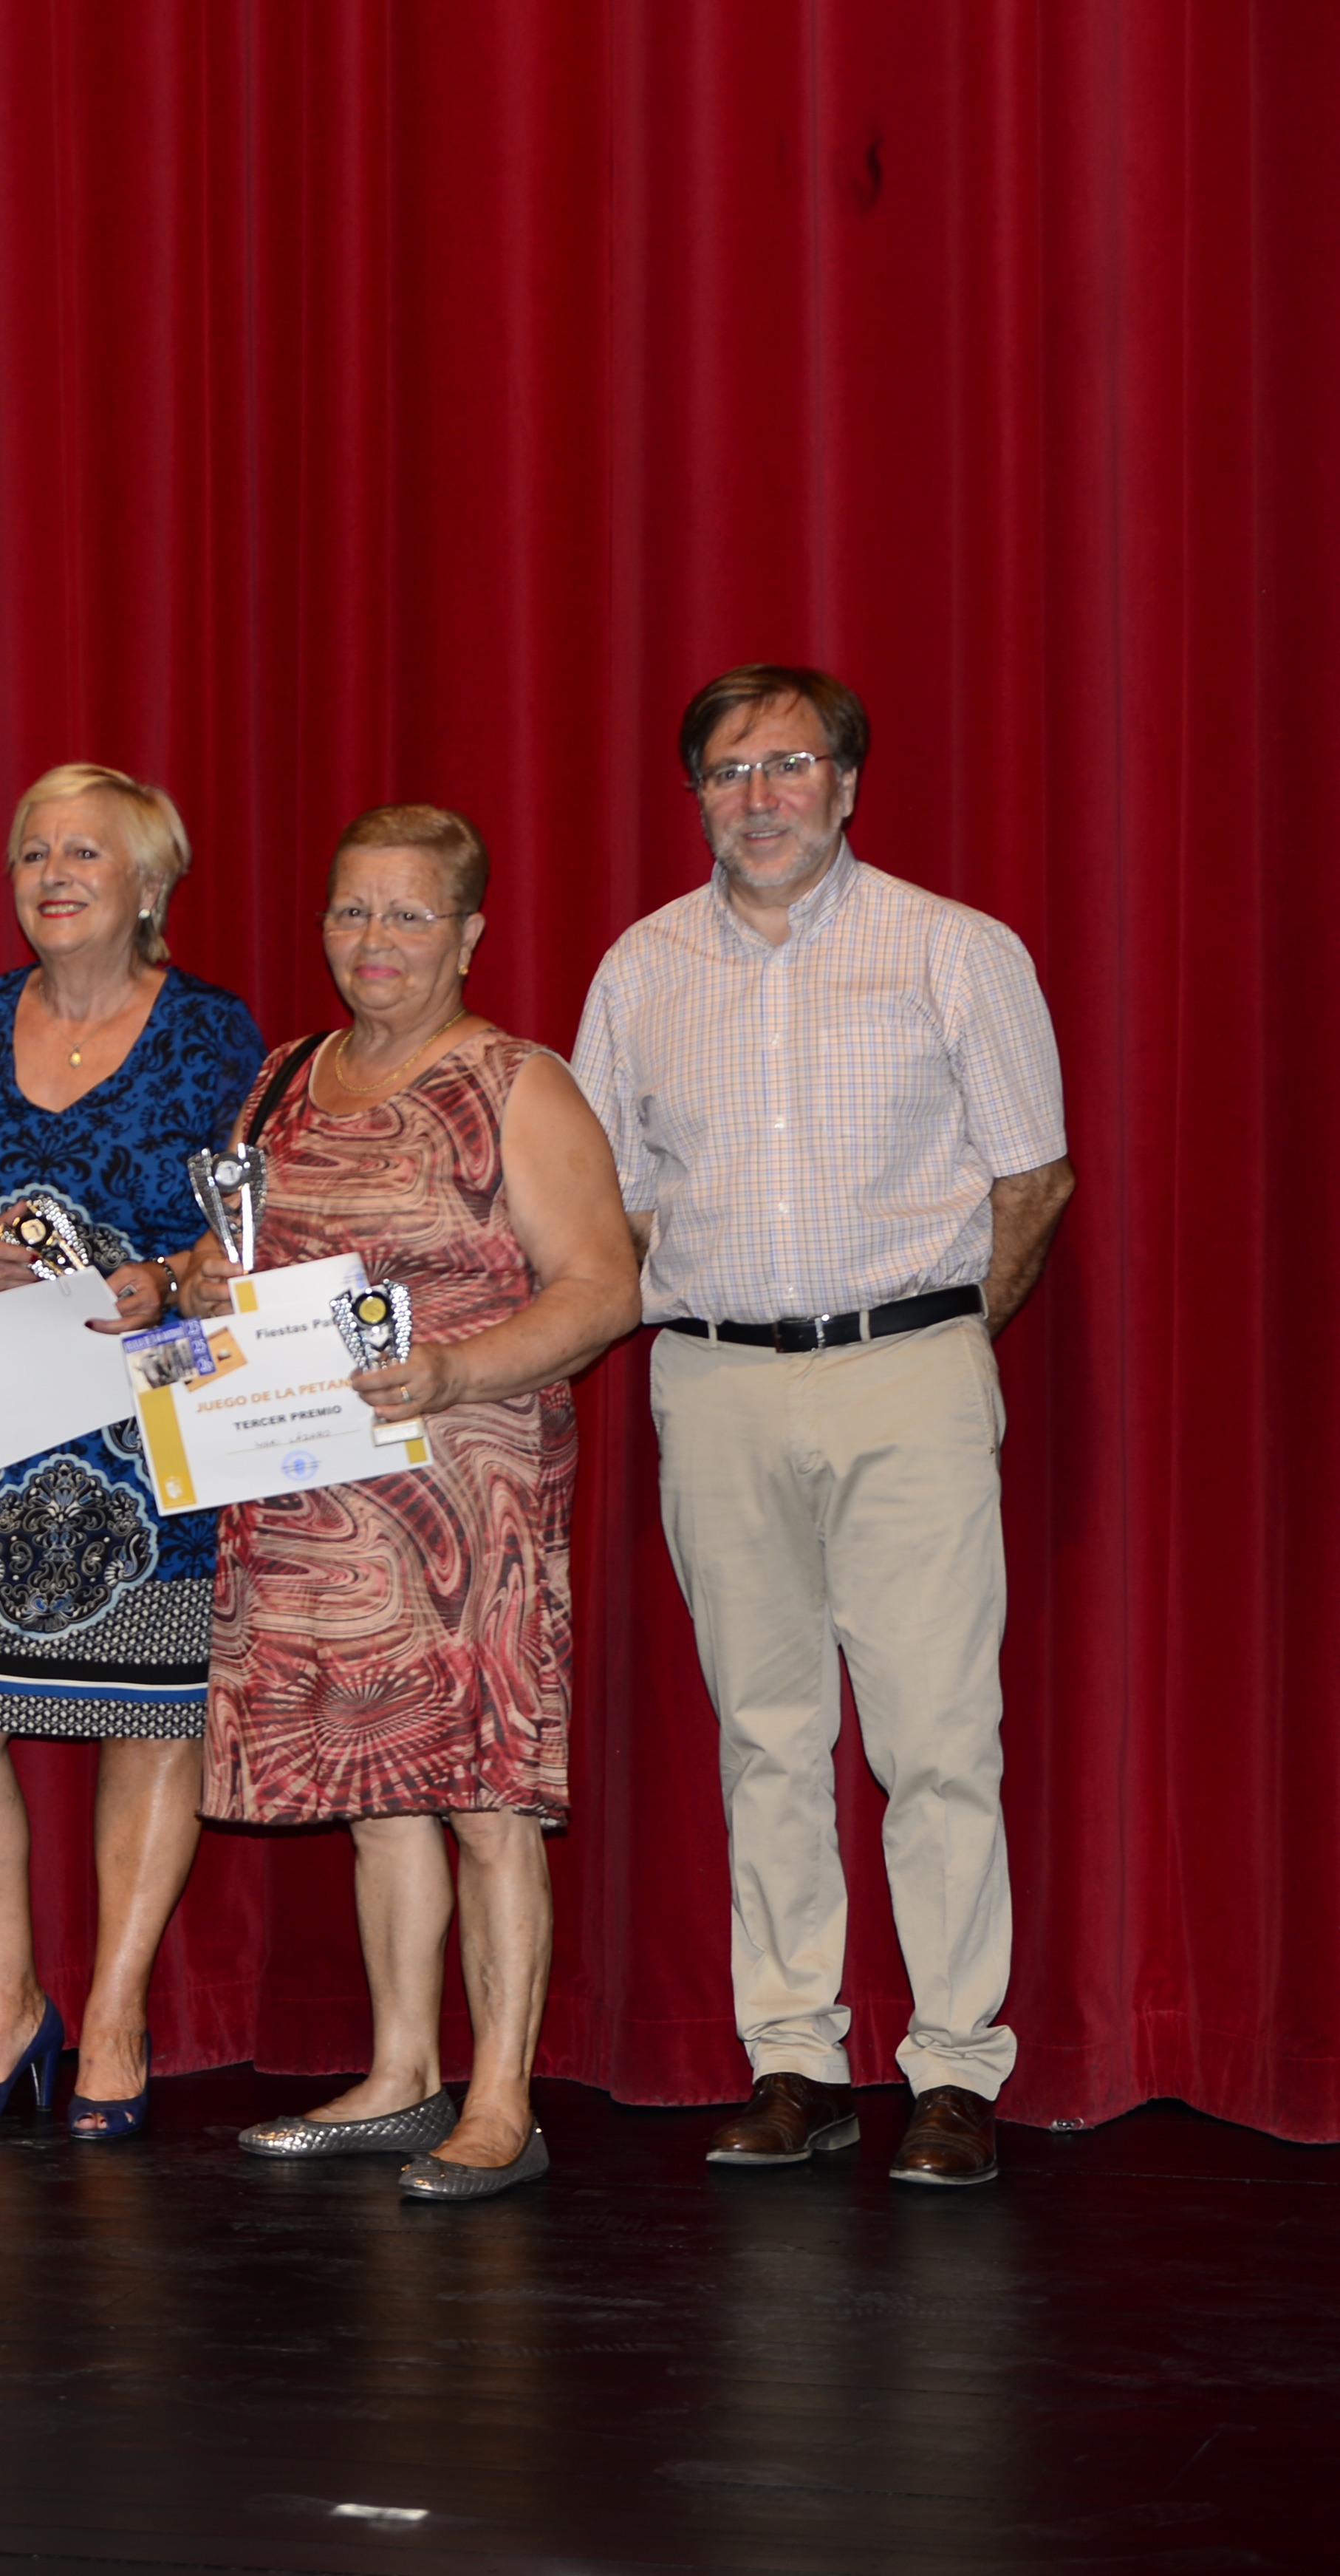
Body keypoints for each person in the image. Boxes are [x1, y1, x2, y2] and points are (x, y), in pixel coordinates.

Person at [572, 666, 1072, 2190]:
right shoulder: (642, 970)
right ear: (696, 800)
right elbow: (616, 1204)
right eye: (727, 773)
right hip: (711, 1383)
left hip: (905, 1370)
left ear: (848, 784)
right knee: (764, 1740)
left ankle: (951, 2071)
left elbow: (1029, 1180)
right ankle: (791, 2057)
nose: (759, 797)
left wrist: (929, 1348)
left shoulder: (953, 952)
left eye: (789, 765)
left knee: (936, 1740)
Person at [192, 804, 637, 2199]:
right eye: (349, 912)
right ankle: (399, 2072)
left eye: (405, 915)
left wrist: (446, 1368)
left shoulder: (516, 1083)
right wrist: (203, 1288)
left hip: (468, 1490)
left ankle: (501, 2094)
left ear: (466, 933)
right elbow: (235, 1262)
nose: (370, 942)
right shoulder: (276, 1081)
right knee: (378, 1794)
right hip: (312, 1497)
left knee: (487, 1795)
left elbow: (602, 1286)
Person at [0, 766, 259, 2136]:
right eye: (32, 850)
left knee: (149, 1718)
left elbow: (247, 1227)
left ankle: (114, 2016)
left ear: (149, 885)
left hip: (145, 1424)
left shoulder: (212, 1030)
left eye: (84, 851)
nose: (51, 872)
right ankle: (5, 2005)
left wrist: (169, 1273)